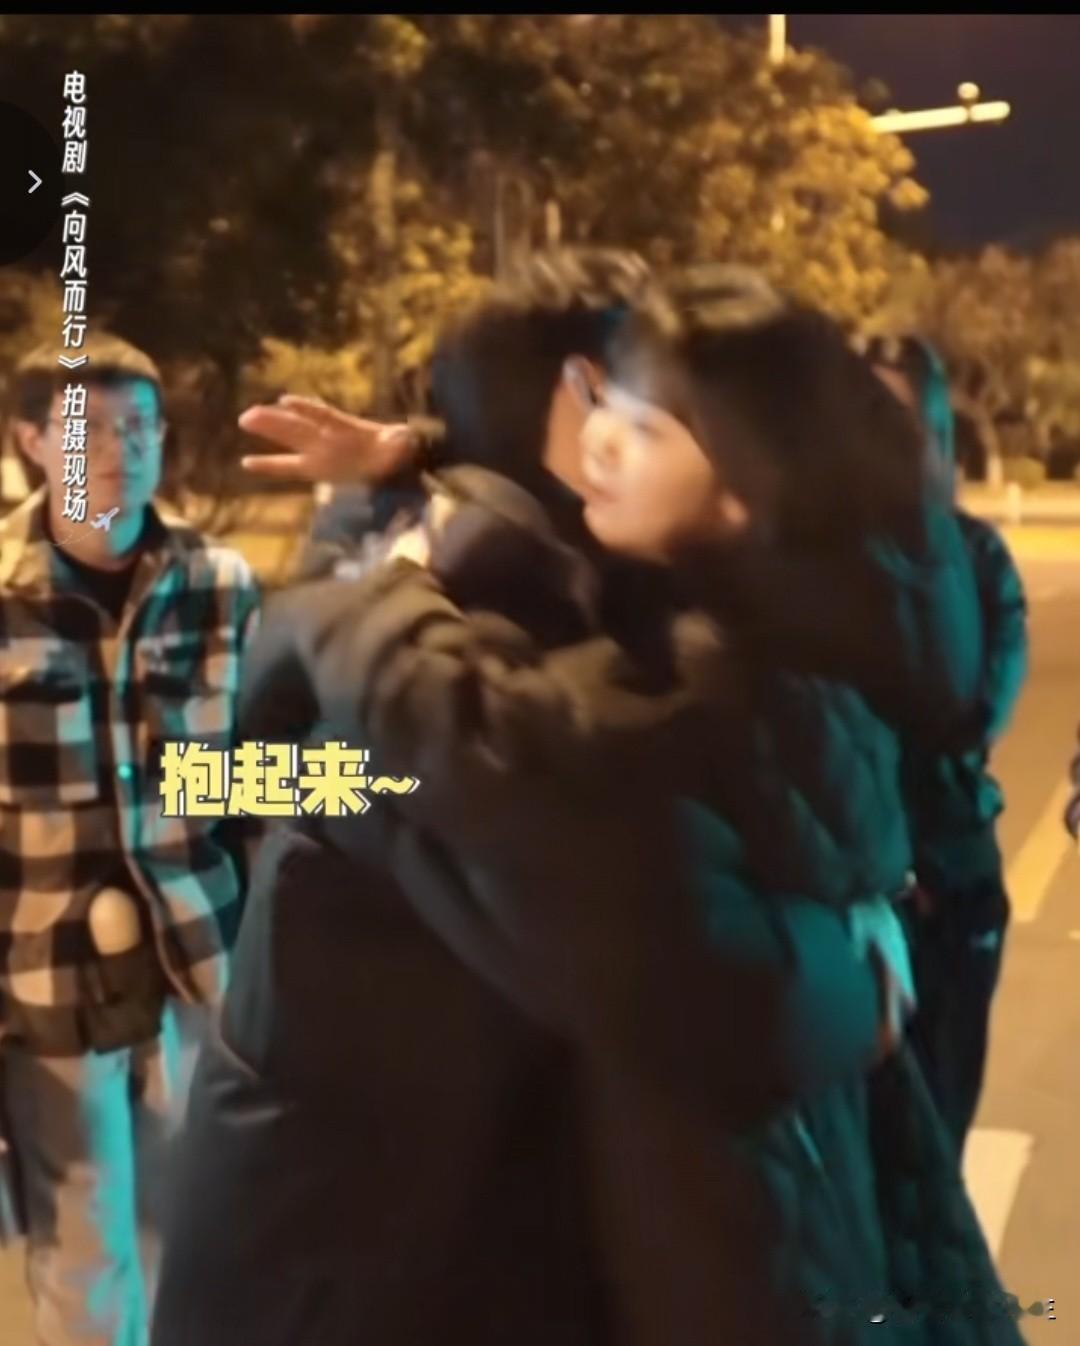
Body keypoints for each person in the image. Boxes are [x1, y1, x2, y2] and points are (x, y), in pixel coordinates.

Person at [165, 258, 1021, 1343]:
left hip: (358, 1257)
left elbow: (212, 779)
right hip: (367, 1270)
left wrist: (350, 616)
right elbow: (682, 962)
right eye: (631, 393)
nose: (629, 430)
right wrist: (850, 974)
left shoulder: (629, 639)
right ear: (580, 392)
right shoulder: (535, 650)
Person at [1, 333, 260, 1346]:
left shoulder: (219, 582)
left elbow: (255, 775)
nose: (121, 451)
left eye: (141, 427)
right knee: (86, 1245)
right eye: (90, 431)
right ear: (30, 440)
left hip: (203, 963)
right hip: (42, 975)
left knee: (215, 1223)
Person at [864, 334, 1028, 1154]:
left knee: (937, 1140)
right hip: (857, 897)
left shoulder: (976, 557)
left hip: (953, 883)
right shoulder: (812, 560)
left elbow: (976, 709)